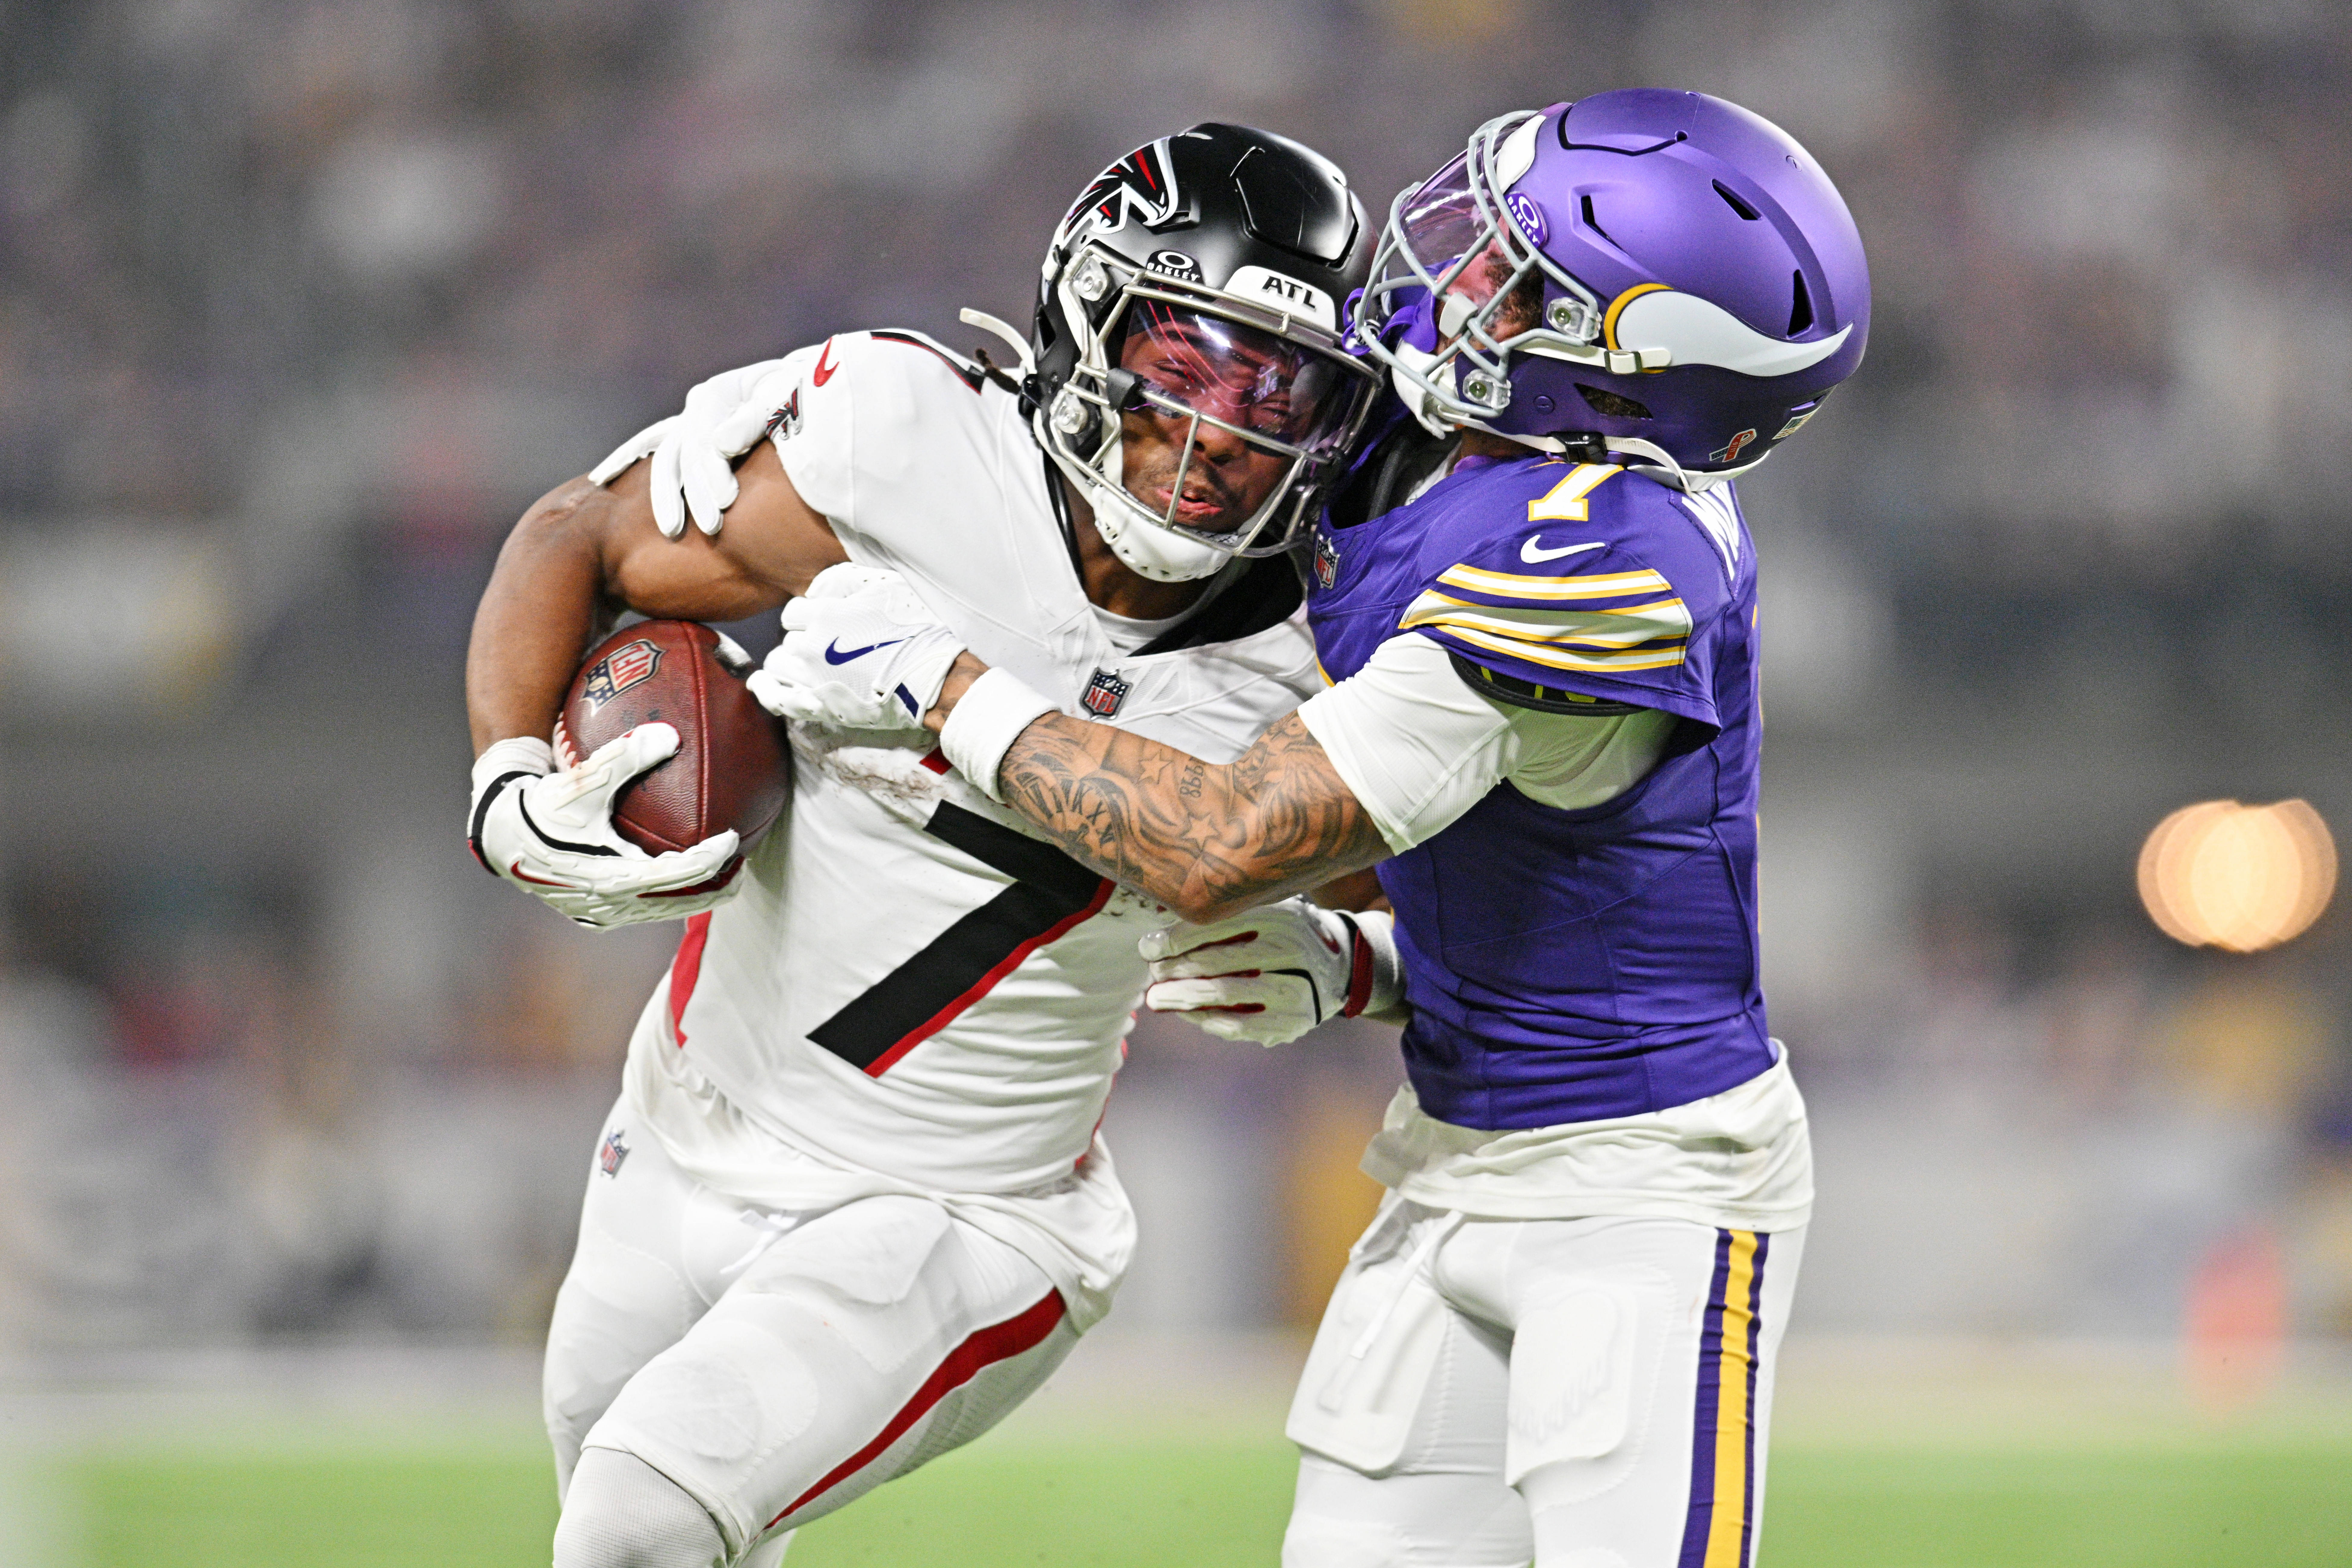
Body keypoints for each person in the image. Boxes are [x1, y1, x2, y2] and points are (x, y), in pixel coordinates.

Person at [749, 89, 1870, 1568]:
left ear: (1628, 375)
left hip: (1645, 1192)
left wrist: (941, 688)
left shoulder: (1615, 558)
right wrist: (1369, 972)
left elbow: (1216, 844)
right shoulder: (1432, 442)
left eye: (1516, 283)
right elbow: (1556, 882)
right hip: (1451, 1151)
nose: (1453, 274)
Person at [462, 124, 1381, 1568]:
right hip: (680, 1126)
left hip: (965, 1210)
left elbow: (1487, 909)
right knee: (629, 1515)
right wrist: (512, 780)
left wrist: (1367, 962)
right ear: (1087, 323)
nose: (1220, 438)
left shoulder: (1314, 649)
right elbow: (579, 534)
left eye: (1278, 390)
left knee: (637, 1520)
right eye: (1185, 369)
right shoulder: (903, 438)